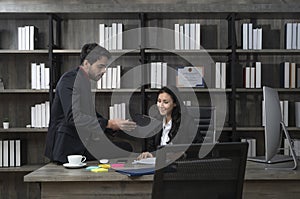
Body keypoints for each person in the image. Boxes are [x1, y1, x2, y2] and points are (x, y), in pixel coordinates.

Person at [45, 43, 136, 164]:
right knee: (124, 149)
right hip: (66, 147)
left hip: (81, 142)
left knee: (125, 147)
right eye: (100, 66)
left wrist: (114, 125)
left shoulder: (82, 80)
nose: (104, 71)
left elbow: (90, 113)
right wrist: (109, 124)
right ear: (87, 63)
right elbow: (73, 117)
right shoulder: (70, 80)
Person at [137, 86, 203, 160]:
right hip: (158, 165)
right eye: (159, 101)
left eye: (165, 102)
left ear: (175, 103)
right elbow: (152, 147)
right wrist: (149, 154)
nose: (161, 105)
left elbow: (199, 145)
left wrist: (182, 154)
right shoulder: (156, 120)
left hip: (179, 166)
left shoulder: (186, 121)